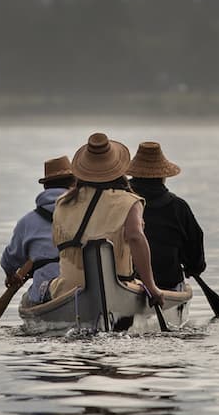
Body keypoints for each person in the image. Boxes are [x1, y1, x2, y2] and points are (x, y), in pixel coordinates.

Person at [48, 132, 164, 308]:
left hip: (68, 290)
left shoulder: (63, 202)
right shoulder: (129, 201)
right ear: (118, 169)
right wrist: (151, 287)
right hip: (119, 286)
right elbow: (135, 237)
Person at [126, 140, 207, 290]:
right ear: (163, 177)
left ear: (133, 175)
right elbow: (195, 244)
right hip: (168, 282)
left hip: (128, 281)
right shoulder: (178, 207)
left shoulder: (122, 202)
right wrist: (193, 269)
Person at [1, 155, 71, 306]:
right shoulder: (88, 214)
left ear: (45, 187)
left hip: (45, 292)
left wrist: (11, 276)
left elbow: (9, 260)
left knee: (26, 301)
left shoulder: (28, 222)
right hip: (83, 285)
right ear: (74, 184)